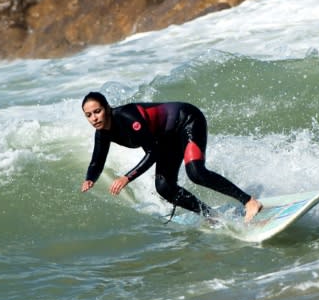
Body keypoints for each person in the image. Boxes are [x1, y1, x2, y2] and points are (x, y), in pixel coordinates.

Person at [80, 91, 263, 222]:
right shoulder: (102, 133)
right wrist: (90, 179)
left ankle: (249, 201)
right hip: (166, 138)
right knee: (164, 187)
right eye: (88, 115)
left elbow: (152, 153)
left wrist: (127, 177)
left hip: (187, 121)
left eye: (97, 111)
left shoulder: (128, 118)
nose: (94, 118)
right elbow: (97, 161)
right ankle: (212, 216)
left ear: (107, 108)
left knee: (196, 173)